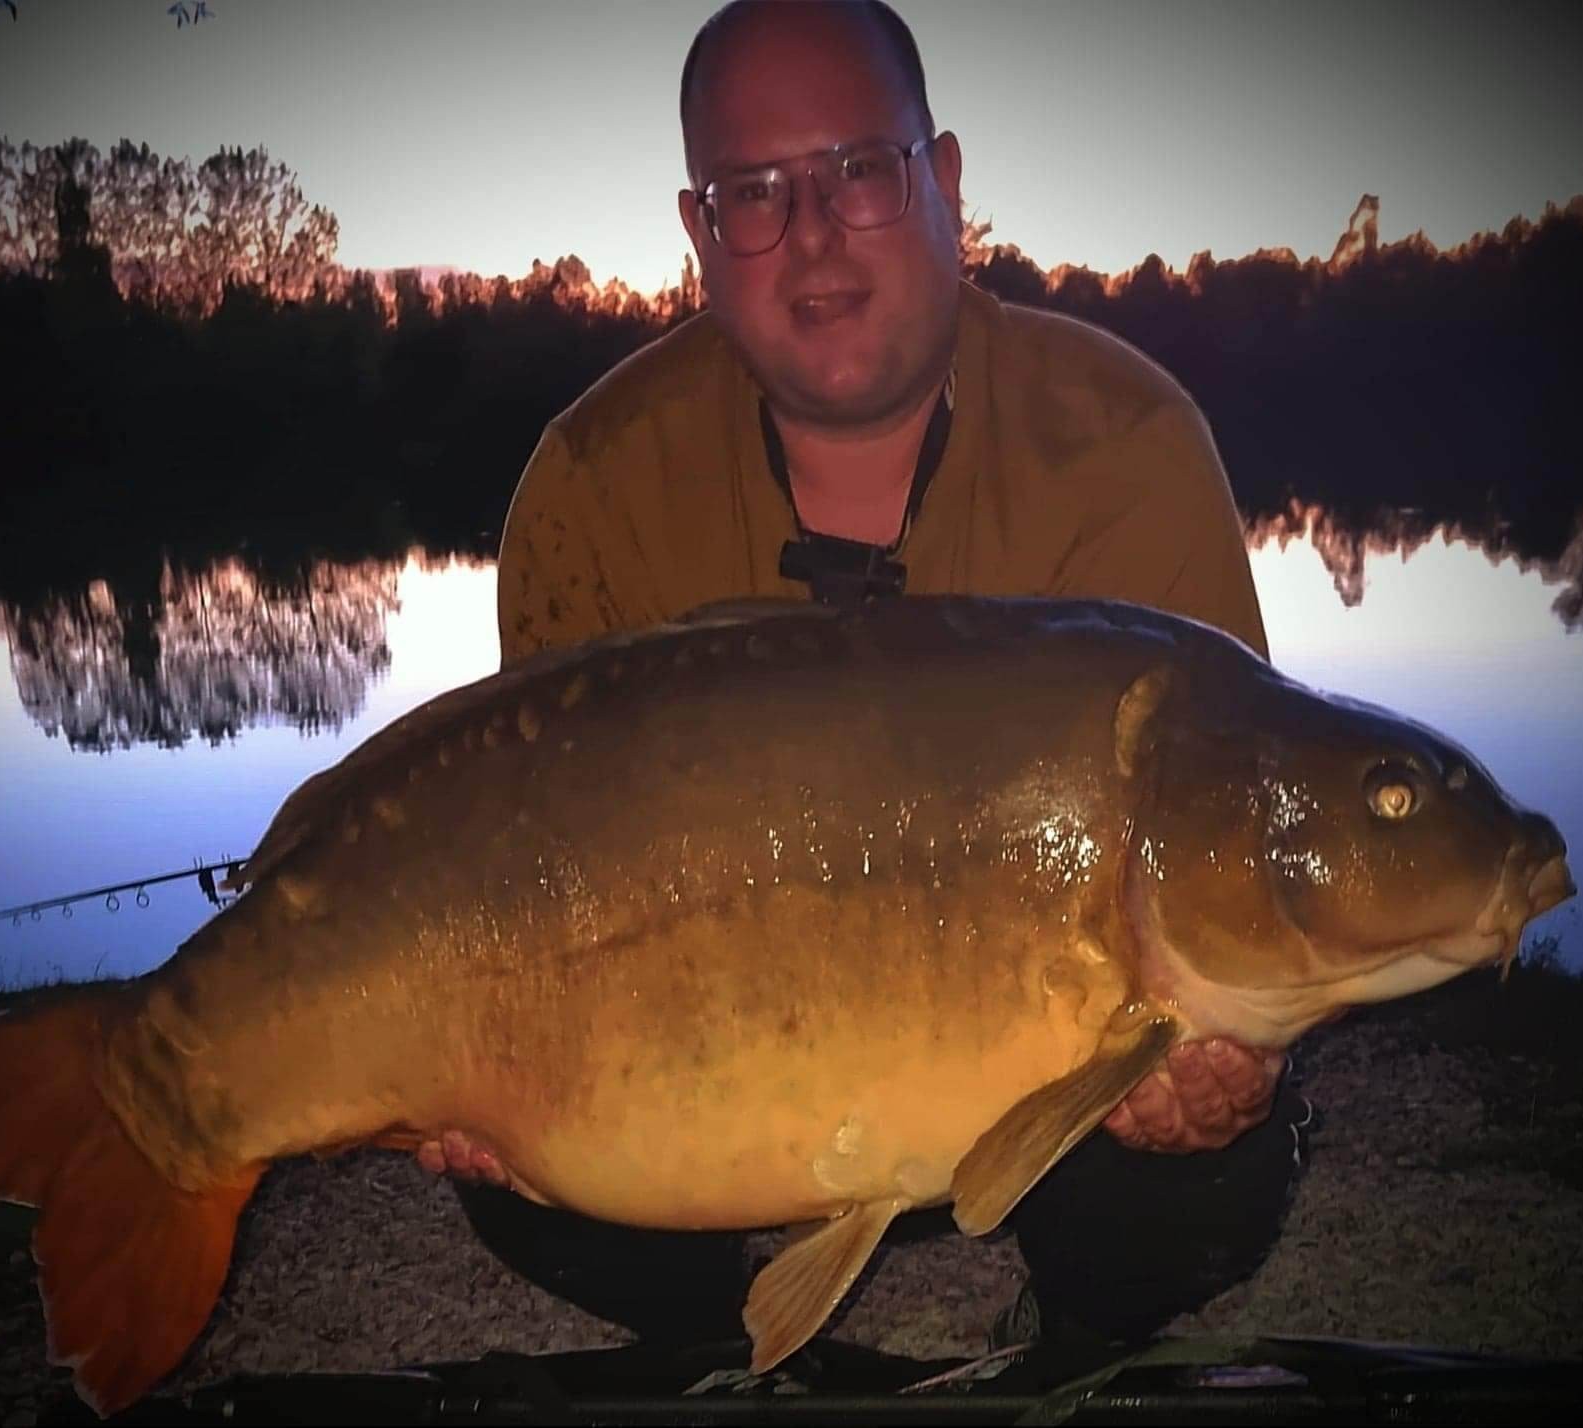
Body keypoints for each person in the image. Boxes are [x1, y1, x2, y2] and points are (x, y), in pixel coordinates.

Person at [432, 0, 1308, 1351]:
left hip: (1042, 1052)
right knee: (532, 1157)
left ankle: (1073, 1327)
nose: (814, 232)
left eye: (856, 170)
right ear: (699, 234)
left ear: (942, 180)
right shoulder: (591, 483)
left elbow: (1229, 825)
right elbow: (531, 865)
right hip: (703, 1035)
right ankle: (729, 1343)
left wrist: (1220, 1060)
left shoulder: (1124, 445)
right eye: (753, 194)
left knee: (1200, 1163)